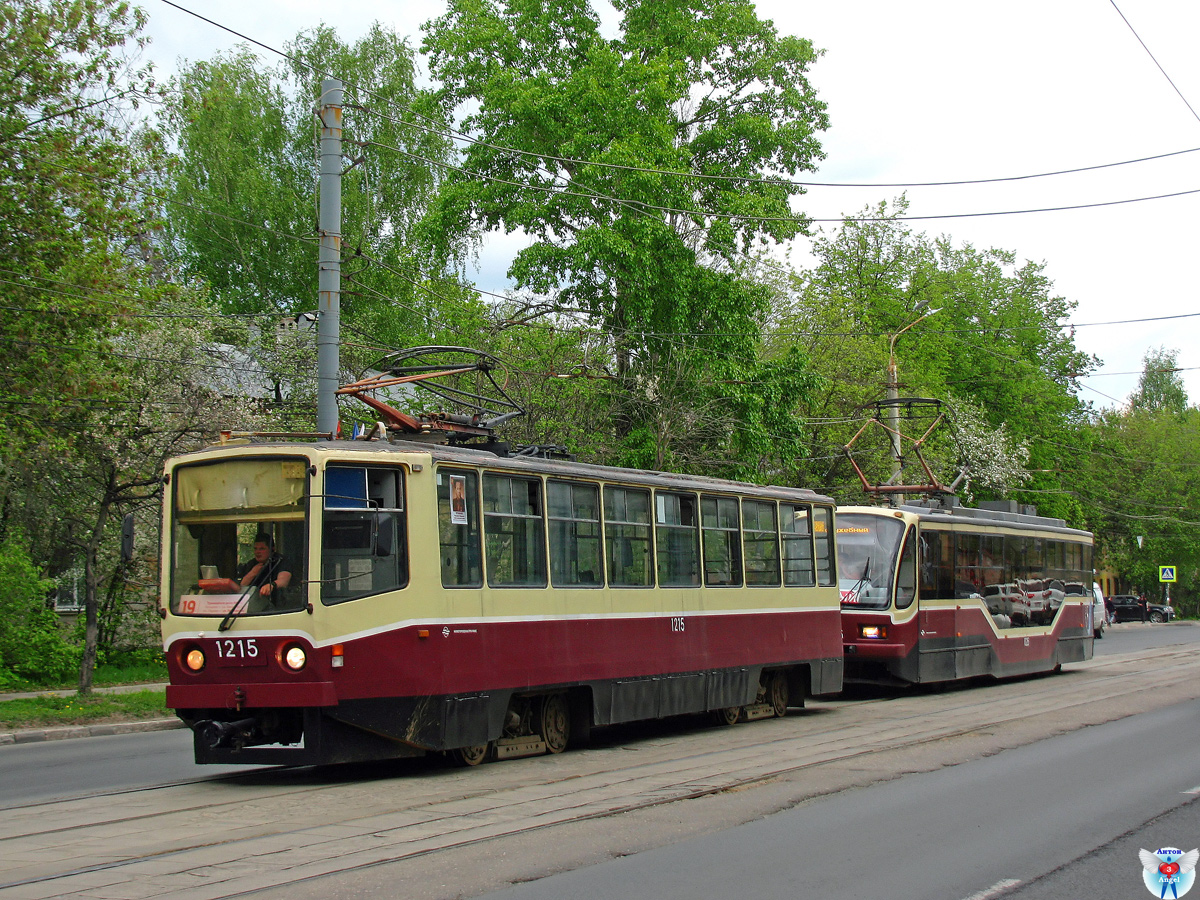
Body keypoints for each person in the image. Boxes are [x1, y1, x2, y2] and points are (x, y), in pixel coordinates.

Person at [237, 533, 292, 607]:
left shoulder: (280, 561)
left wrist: (271, 585)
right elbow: (241, 586)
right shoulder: (251, 563)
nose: (257, 552)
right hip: (255, 605)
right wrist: (253, 573)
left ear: (272, 549)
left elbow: (284, 581)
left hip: (279, 604)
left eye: (262, 549)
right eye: (255, 548)